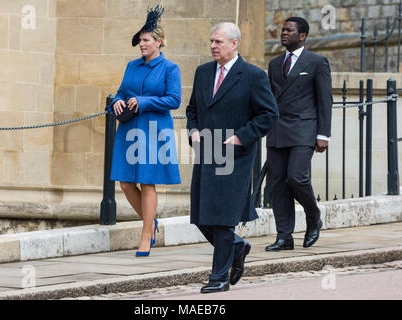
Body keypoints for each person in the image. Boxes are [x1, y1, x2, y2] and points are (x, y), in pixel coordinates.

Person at [186, 22, 278, 293]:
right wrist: (192, 131)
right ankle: (238, 247)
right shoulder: (203, 72)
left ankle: (219, 278)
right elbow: (192, 109)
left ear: (234, 44)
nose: (213, 46)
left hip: (234, 156)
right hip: (206, 153)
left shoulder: (252, 75)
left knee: (223, 218)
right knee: (202, 217)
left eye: (219, 42)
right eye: (211, 41)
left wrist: (240, 137)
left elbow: (269, 115)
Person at [108, 5, 181, 257]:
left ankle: (145, 234)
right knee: (126, 183)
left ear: (158, 42)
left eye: (146, 40)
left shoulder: (170, 69)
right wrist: (115, 101)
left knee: (148, 183)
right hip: (128, 130)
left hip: (154, 131)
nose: (141, 44)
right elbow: (121, 92)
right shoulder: (132, 66)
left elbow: (174, 100)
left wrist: (145, 101)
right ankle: (151, 224)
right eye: (140, 40)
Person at [265, 17, 332, 251]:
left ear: (302, 36)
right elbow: (269, 99)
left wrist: (324, 134)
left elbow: (325, 101)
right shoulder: (274, 64)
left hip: (304, 130)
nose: (284, 33)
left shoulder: (317, 62)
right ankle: (284, 236)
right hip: (277, 130)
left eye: (289, 30)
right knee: (277, 185)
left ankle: (313, 217)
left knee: (296, 177)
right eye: (283, 29)